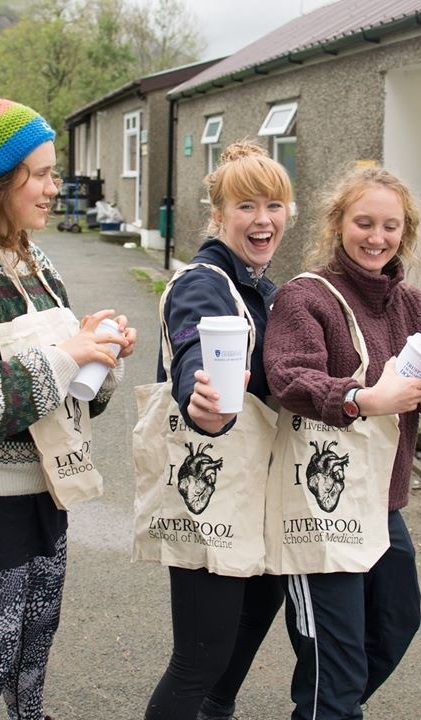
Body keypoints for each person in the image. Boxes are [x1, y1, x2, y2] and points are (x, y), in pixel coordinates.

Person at [0, 96, 136, 719]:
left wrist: (100, 354)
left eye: (54, 172)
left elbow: (75, 394)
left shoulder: (35, 260)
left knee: (33, 655)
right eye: (41, 174)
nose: (55, 187)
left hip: (47, 495)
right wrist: (68, 354)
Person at [263, 164, 421, 719]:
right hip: (320, 507)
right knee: (333, 663)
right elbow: (289, 376)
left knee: (396, 623)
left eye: (390, 225)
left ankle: (328, 706)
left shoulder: (414, 305)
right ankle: (328, 708)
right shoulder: (305, 297)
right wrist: (364, 398)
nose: (377, 237)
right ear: (338, 223)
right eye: (364, 222)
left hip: (381, 505)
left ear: (404, 231)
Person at [144, 141, 292, 720]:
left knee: (253, 616)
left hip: (257, 488)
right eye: (247, 206)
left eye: (274, 205)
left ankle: (216, 711)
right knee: (198, 657)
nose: (263, 220)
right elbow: (191, 350)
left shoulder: (263, 287)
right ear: (218, 214)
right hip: (211, 487)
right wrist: (199, 399)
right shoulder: (204, 283)